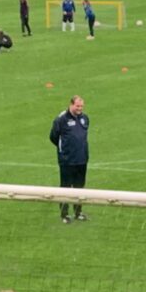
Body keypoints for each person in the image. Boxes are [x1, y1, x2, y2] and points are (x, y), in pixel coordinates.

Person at [49, 95, 90, 223]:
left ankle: (78, 212)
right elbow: (53, 137)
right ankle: (64, 215)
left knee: (79, 187)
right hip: (67, 160)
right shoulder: (61, 119)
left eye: (81, 106)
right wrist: (65, 150)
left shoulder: (85, 118)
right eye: (77, 106)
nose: (80, 109)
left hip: (81, 159)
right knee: (65, 187)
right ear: (71, 104)